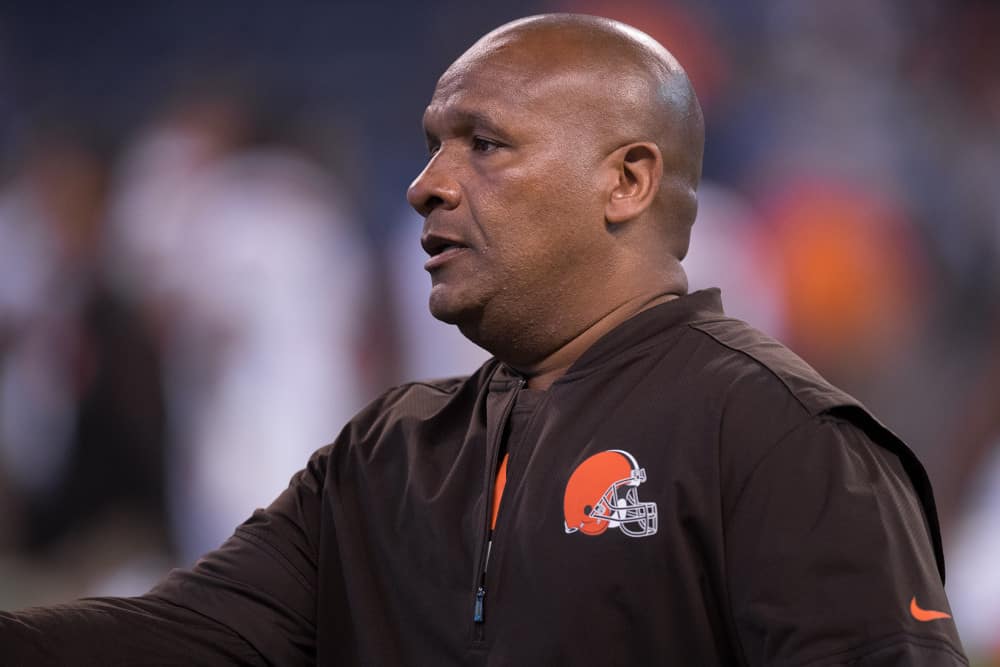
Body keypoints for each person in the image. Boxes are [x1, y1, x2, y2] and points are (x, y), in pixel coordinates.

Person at [0, 13, 968, 666]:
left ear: (626, 182)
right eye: (430, 142)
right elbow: (183, 634)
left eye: (484, 144)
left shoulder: (781, 438)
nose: (426, 181)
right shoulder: (389, 452)